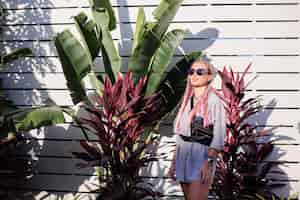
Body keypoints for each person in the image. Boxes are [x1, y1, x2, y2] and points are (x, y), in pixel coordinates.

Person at [168, 56, 227, 200]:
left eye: (200, 72)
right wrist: (173, 162)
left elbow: (218, 135)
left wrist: (208, 161)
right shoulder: (187, 101)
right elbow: (181, 135)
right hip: (183, 155)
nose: (194, 75)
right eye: (191, 71)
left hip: (201, 156)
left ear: (209, 77)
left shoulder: (214, 101)